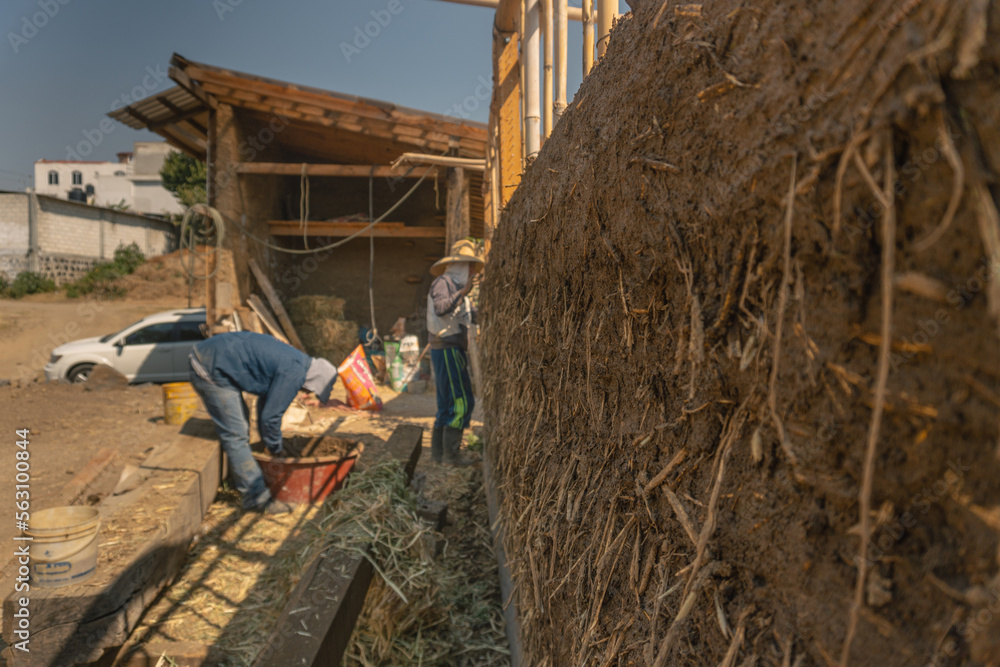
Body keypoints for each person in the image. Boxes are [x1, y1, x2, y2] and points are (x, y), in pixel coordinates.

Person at [188, 331, 338, 514]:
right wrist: (276, 449)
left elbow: (265, 405)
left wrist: (269, 442)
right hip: (209, 366)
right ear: (314, 381)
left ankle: (242, 479)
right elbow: (270, 418)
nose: (308, 393)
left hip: (214, 356)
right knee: (236, 435)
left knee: (240, 424)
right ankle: (256, 498)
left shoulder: (297, 361)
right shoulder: (294, 373)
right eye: (313, 390)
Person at [426, 240, 484, 466]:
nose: (472, 271)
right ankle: (452, 456)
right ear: (460, 265)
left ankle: (439, 456)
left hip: (449, 348)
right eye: (470, 266)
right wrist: (463, 292)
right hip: (447, 348)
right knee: (462, 402)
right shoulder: (444, 283)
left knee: (446, 403)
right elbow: (441, 308)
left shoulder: (456, 288)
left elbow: (471, 314)